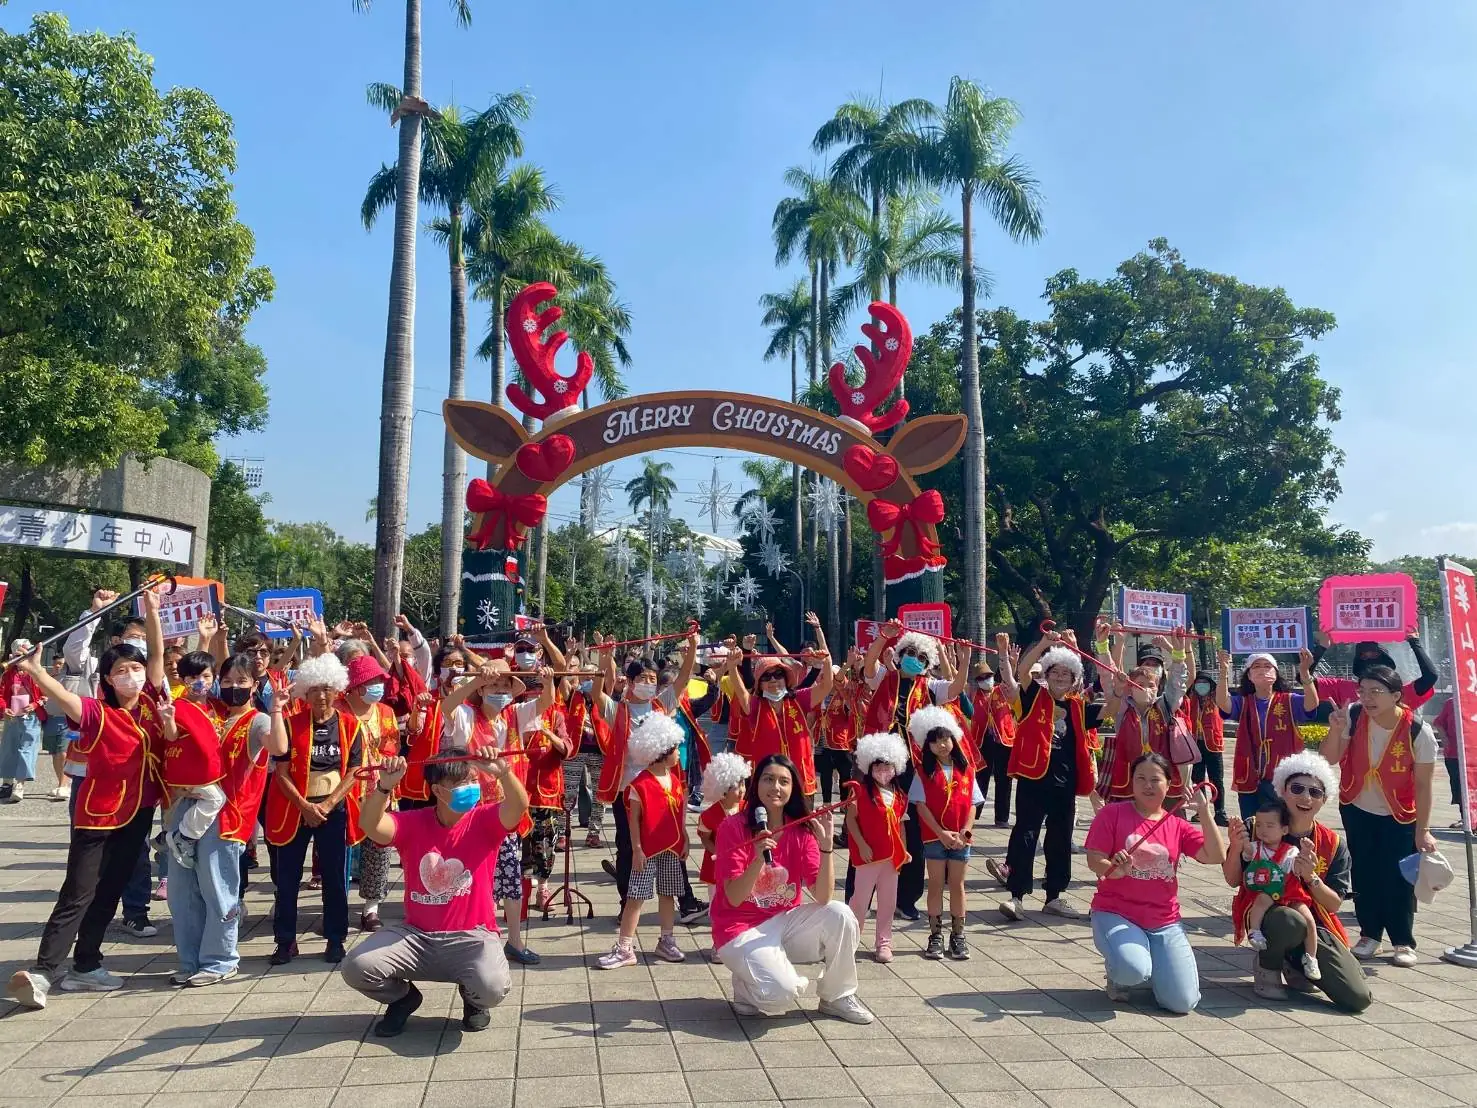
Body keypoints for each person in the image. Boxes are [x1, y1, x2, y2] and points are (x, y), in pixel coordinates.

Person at [5, 588, 169, 1009]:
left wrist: (152, 612)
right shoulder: (97, 712)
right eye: (122, 671)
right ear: (109, 679)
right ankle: (43, 971)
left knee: (110, 890)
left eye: (135, 668)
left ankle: (86, 964)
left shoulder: (152, 704)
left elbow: (156, 656)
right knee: (78, 892)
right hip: (97, 817)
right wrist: (38, 672)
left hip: (138, 813)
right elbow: (62, 698)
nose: (132, 675)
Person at [340, 749, 526, 1037]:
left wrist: (504, 772)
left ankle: (474, 1001)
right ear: (438, 790)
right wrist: (384, 786)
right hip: (417, 936)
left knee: (493, 987)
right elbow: (370, 825)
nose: (471, 787)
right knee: (356, 966)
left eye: (474, 780)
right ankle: (403, 999)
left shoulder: (484, 820)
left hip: (472, 936)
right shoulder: (414, 822)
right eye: (463, 782)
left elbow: (518, 807)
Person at [711, 753, 872, 1024]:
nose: (776, 787)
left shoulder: (801, 830)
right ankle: (745, 984)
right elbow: (735, 898)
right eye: (768, 779)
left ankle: (837, 996)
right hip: (739, 929)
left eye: (784, 781)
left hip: (784, 922)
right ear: (756, 785)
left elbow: (822, 897)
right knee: (780, 995)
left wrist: (826, 848)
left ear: (793, 788)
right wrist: (756, 857)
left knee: (841, 915)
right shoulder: (733, 827)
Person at [169, 652, 288, 986]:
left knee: (218, 891)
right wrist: (209, 638)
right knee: (183, 893)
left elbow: (278, 747)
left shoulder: (258, 720)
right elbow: (196, 676)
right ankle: (190, 960)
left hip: (228, 819)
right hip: (189, 810)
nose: (233, 687)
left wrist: (277, 707)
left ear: (254, 685)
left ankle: (221, 960)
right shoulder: (215, 713)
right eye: (228, 680)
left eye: (242, 681)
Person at [1223, 751, 1370, 1009]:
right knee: (1288, 920)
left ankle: (1296, 963)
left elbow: (1334, 905)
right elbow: (1233, 879)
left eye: (1315, 792)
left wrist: (1311, 877)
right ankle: (1268, 966)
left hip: (1316, 921)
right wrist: (1235, 848)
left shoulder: (1334, 844)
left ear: (1325, 799)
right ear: (1283, 790)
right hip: (1267, 910)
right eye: (1298, 788)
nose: (1305, 797)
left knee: (1357, 998)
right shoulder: (1259, 825)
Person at [1084, 754, 1226, 1013]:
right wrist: (1114, 870)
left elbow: (1216, 856)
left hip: (1164, 922)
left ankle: (1150, 965)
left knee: (1183, 1003)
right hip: (1117, 914)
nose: (1147, 786)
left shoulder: (1177, 825)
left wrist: (1205, 813)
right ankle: (1120, 974)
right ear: (1132, 783)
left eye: (1154, 780)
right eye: (1140, 779)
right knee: (1132, 970)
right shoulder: (1112, 814)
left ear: (1169, 784)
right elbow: (1095, 860)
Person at [1318, 666, 1438, 967]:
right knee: (1363, 872)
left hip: (1400, 813)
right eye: (1363, 690)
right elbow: (1329, 758)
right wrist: (1335, 728)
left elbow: (1424, 785)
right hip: (1357, 807)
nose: (1367, 698)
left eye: (1376, 692)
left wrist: (1423, 830)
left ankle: (1402, 941)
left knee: (1397, 876)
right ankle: (1369, 934)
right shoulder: (1354, 717)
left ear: (1396, 696)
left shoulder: (1417, 730)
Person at [265, 653, 365, 966]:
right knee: (288, 878)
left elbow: (354, 770)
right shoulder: (292, 724)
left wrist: (327, 804)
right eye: (315, 689)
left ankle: (335, 940)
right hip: (295, 808)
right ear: (304, 693)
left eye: (327, 688)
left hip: (332, 809)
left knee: (335, 878)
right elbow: (280, 772)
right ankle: (285, 941)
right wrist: (305, 806)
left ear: (337, 690)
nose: (321, 695)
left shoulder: (351, 725)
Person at [994, 631, 1098, 921]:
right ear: (1048, 675)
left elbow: (1111, 704)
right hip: (1033, 779)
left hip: (1065, 784)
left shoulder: (1078, 706)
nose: (1061, 677)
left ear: (1074, 679)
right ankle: (1016, 895)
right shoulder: (1032, 697)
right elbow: (1022, 671)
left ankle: (1054, 895)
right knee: (1026, 834)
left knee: (1061, 838)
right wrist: (1042, 644)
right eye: (1056, 671)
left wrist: (1101, 656)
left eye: (1067, 673)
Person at [597, 714, 690, 968]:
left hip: (671, 847)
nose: (679, 754)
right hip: (647, 850)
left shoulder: (674, 779)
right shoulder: (639, 784)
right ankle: (625, 947)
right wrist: (637, 849)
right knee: (635, 897)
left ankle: (666, 940)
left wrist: (685, 837)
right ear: (661, 751)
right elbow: (633, 821)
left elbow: (679, 813)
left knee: (668, 893)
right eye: (675, 749)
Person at [908, 706, 981, 960]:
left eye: (945, 739)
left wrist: (966, 833)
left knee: (958, 886)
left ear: (954, 739)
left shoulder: (967, 770)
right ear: (927, 745)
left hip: (962, 839)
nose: (941, 745)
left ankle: (959, 936)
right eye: (935, 740)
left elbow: (973, 804)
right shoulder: (922, 772)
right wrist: (940, 833)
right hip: (934, 838)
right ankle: (935, 935)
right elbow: (920, 806)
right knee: (936, 884)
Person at [1214, 650, 1320, 819]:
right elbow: (1222, 702)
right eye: (1256, 667)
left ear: (1276, 674)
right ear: (1249, 675)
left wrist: (1305, 672)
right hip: (1249, 774)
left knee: (1282, 825)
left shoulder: (1289, 700)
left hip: (1281, 775)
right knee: (1252, 825)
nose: (1262, 670)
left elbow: (1312, 704)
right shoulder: (1243, 702)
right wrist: (1223, 671)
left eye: (1267, 666)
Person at [721, 645, 832, 800]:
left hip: (800, 780)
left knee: (801, 823)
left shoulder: (800, 698)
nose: (773, 680)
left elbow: (827, 686)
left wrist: (825, 663)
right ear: (759, 684)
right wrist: (732, 667)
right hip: (770, 785)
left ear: (786, 678)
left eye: (778, 674)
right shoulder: (754, 705)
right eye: (766, 677)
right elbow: (741, 691)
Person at [339, 654, 401, 933]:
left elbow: (392, 745)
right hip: (344, 788)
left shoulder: (385, 712)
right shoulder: (338, 709)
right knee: (339, 848)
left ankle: (371, 908)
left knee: (379, 848)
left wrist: (388, 761)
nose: (378, 686)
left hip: (379, 789)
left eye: (380, 680)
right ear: (355, 686)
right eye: (371, 681)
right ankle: (336, 904)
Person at [1232, 799, 1320, 980]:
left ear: (1284, 830)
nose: (1263, 830)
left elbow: (1297, 869)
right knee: (1262, 900)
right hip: (1266, 891)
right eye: (1260, 825)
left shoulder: (1291, 851)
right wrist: (1239, 831)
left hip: (1290, 893)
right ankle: (1254, 931)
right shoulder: (1256, 848)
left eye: (1270, 825)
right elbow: (1245, 850)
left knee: (1309, 920)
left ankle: (1311, 958)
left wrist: (1305, 853)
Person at [844, 732, 909, 964]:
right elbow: (851, 820)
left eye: (888, 766)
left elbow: (901, 825)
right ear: (869, 767)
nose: (883, 770)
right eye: (878, 765)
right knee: (859, 901)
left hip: (892, 859)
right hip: (868, 857)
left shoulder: (900, 795)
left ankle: (884, 942)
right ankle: (849, 940)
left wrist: (904, 851)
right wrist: (861, 845)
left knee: (888, 903)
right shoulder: (860, 791)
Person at [697, 752, 751, 962]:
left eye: (743, 785)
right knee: (717, 904)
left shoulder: (748, 810)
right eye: (736, 787)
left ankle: (740, 937)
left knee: (743, 902)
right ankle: (718, 943)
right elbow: (704, 836)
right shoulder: (709, 815)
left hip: (743, 866)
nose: (742, 791)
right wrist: (716, 853)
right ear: (721, 791)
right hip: (716, 868)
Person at [1309, 631, 1438, 709]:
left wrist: (1414, 642)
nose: (1368, 699)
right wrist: (1322, 646)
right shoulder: (1342, 688)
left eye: (1374, 654)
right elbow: (1305, 680)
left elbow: (1430, 677)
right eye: (1363, 656)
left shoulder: (1399, 693)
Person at [969, 661, 1015, 828]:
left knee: (1004, 779)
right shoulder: (974, 694)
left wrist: (1012, 662)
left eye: (988, 676)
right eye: (981, 678)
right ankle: (975, 814)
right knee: (981, 778)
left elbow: (1010, 680)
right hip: (982, 740)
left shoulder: (1001, 690)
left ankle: (1002, 818)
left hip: (1003, 740)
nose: (985, 679)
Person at [1, 639, 45, 803]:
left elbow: (45, 694)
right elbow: (1, 694)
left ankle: (20, 784)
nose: (21, 658)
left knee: (26, 749)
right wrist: (4, 707)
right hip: (12, 716)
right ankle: (6, 783)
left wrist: (35, 704)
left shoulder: (36, 673)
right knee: (8, 748)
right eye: (18, 654)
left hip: (31, 717)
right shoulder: (8, 674)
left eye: (26, 653)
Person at [1186, 669, 1227, 825]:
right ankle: (1201, 812)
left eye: (1205, 682)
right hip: (1195, 744)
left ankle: (1220, 812)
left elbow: (1225, 693)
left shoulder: (1217, 698)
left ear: (1211, 685)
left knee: (1217, 780)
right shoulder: (1190, 698)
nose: (1201, 685)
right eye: (1199, 682)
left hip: (1214, 745)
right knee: (1197, 780)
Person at [1431, 697, 1465, 829]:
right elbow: (1438, 722)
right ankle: (1466, 818)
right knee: (1459, 786)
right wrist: (1445, 739)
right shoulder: (1452, 702)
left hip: (1472, 754)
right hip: (1454, 754)